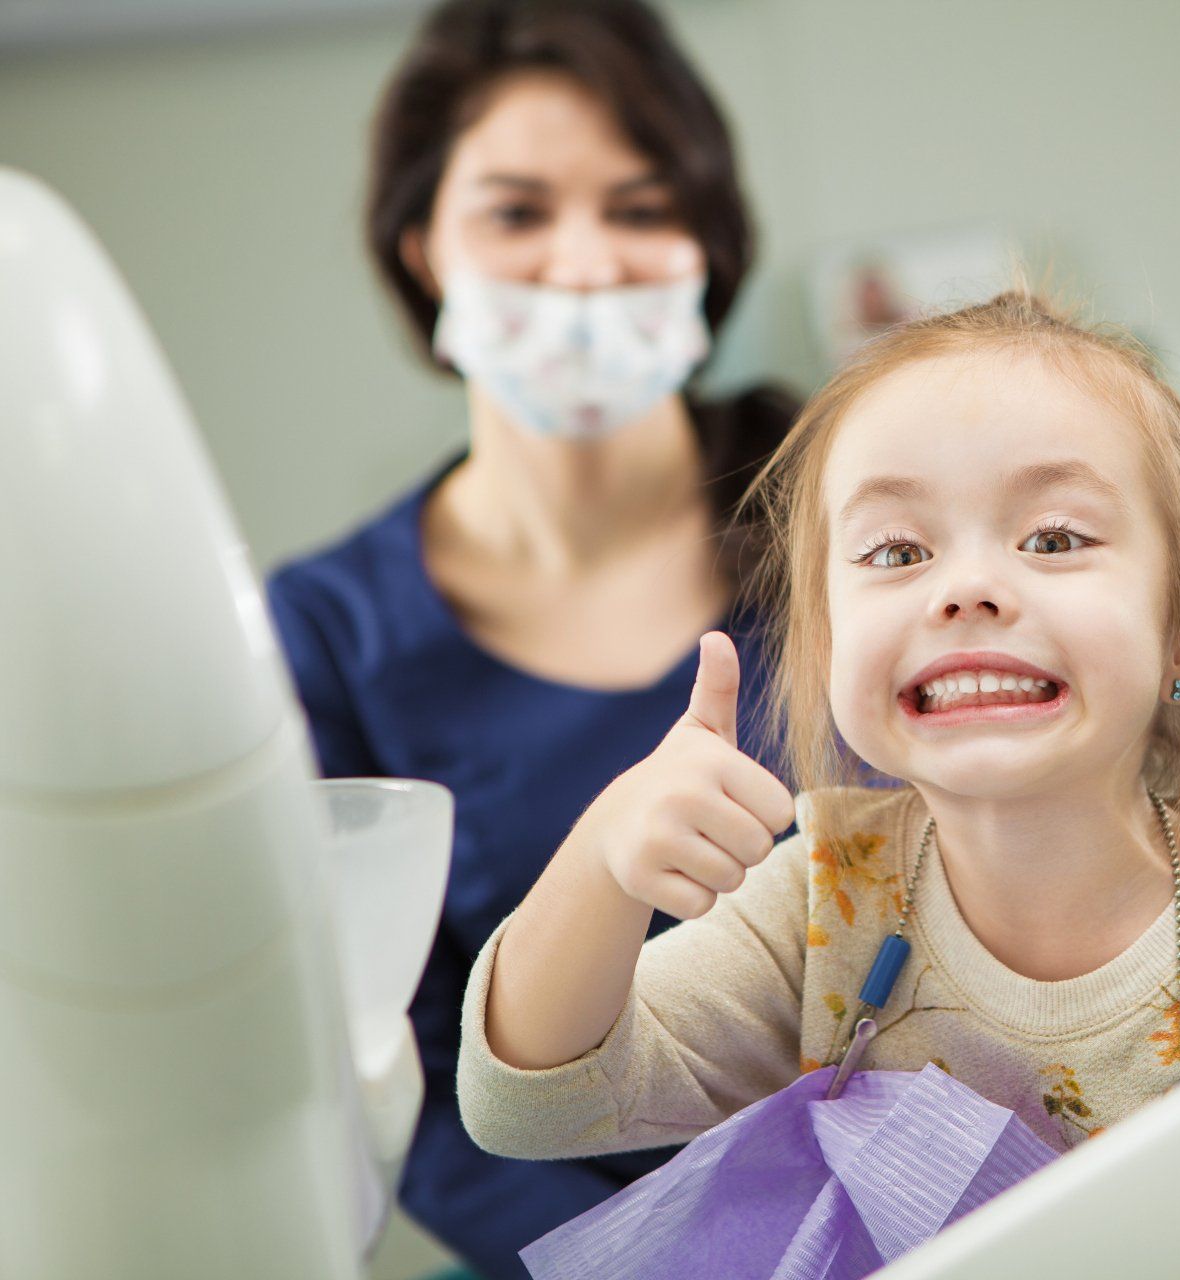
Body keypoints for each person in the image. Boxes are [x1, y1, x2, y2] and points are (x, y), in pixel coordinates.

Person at [456, 291, 1180, 1189]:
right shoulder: (827, 899)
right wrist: (605, 855)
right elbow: (528, 1107)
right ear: (824, 647)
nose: (967, 587)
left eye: (1055, 538)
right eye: (898, 553)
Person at [264, 2, 793, 1274]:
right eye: (516, 212)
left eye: (639, 206)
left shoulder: (847, 515)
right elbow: (392, 1066)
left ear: (707, 242)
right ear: (422, 250)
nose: (582, 263)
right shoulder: (330, 636)